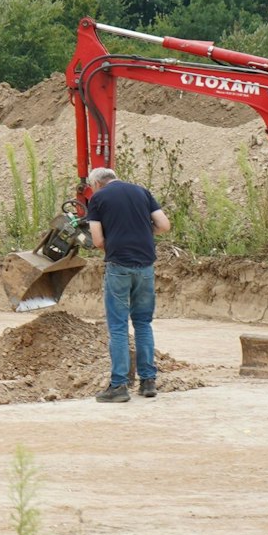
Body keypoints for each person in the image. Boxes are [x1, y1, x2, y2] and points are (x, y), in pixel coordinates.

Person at [84, 165, 170, 403]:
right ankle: (148, 381)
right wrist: (141, 231)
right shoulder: (142, 191)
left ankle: (119, 386)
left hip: (119, 266)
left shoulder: (98, 198)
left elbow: (98, 241)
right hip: (145, 266)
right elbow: (164, 225)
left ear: (97, 184)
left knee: (119, 326)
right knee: (143, 323)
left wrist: (116, 235)